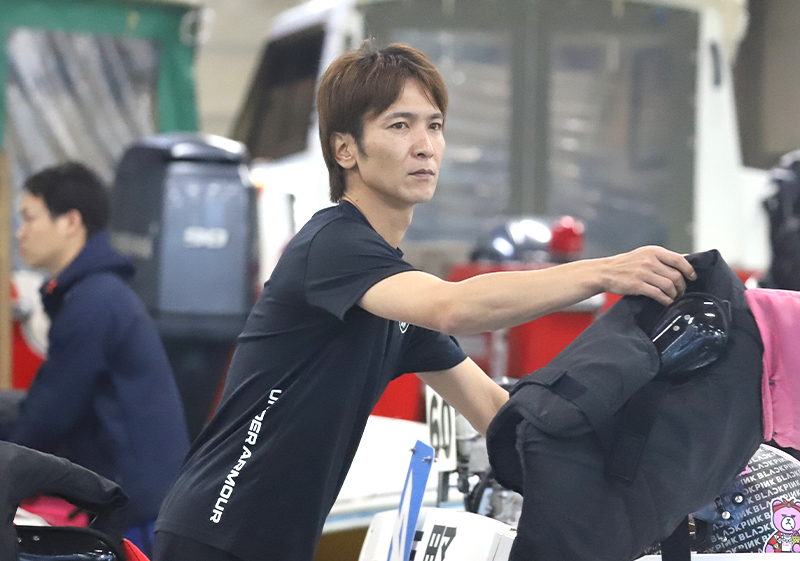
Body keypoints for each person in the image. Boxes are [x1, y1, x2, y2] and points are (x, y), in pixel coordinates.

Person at [153, 41, 696, 561]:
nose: (425, 145)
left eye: (434, 125)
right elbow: (452, 306)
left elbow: (493, 411)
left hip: (272, 543)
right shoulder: (333, 245)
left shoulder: (391, 296)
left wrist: (631, 488)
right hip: (217, 531)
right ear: (345, 150)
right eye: (399, 125)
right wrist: (604, 271)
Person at [6, 162, 190, 553]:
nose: (20, 233)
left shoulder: (93, 303)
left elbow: (47, 416)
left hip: (137, 512)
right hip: (139, 498)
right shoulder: (94, 293)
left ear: (70, 222)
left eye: (29, 219)